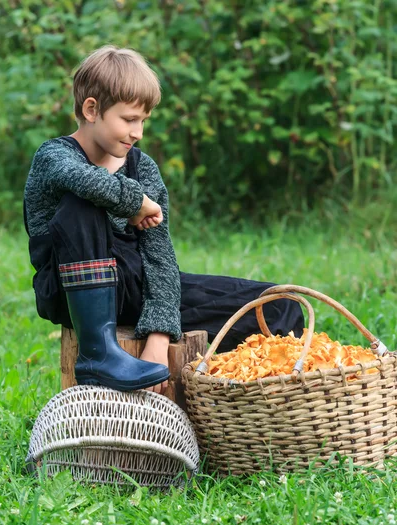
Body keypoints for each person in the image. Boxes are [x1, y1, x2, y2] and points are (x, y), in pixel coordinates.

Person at [24, 45, 304, 395]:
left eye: (143, 120)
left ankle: (251, 414)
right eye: (129, 119)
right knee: (82, 204)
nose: (138, 131)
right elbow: (84, 181)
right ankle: (98, 355)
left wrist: (158, 338)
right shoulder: (53, 157)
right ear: (92, 109)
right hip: (71, 289)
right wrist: (136, 203)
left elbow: (159, 257)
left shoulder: (144, 168)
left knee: (278, 306)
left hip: (137, 288)